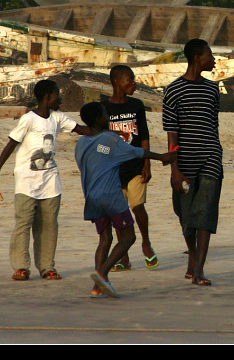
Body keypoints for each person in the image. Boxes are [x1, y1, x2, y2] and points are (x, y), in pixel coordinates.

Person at [0, 79, 88, 281]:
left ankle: (47, 267)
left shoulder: (57, 118)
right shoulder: (29, 119)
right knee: (24, 223)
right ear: (48, 96)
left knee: (49, 225)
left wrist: (109, 132)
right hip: (26, 180)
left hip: (50, 181)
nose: (60, 99)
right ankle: (21, 267)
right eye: (57, 95)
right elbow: (11, 144)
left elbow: (80, 130)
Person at [74, 101, 177, 298]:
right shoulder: (109, 140)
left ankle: (98, 287)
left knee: (105, 239)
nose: (108, 117)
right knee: (129, 236)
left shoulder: (82, 143)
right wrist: (162, 157)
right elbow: (136, 152)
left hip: (91, 196)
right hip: (111, 196)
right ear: (98, 119)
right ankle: (102, 273)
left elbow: (99, 156)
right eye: (105, 115)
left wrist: (113, 139)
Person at [163, 39, 224, 286]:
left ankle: (199, 269)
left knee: (205, 213)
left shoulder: (212, 89)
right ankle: (192, 260)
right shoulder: (174, 90)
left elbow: (213, 125)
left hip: (211, 157)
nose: (213, 60)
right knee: (186, 215)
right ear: (198, 58)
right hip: (185, 161)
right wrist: (175, 170)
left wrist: (217, 153)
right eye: (210, 55)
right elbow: (172, 132)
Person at [102, 65, 158, 272]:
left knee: (137, 206)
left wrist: (147, 163)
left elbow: (143, 135)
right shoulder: (103, 107)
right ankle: (123, 256)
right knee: (119, 212)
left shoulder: (136, 105)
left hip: (135, 166)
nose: (133, 83)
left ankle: (146, 243)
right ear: (117, 82)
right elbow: (100, 140)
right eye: (130, 80)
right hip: (114, 170)